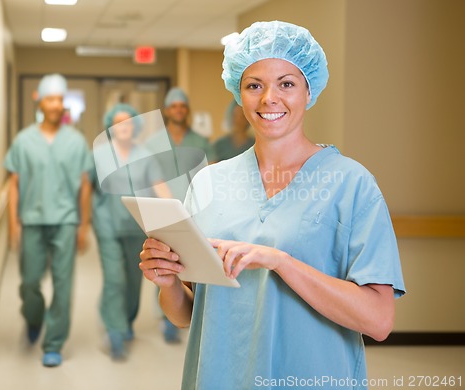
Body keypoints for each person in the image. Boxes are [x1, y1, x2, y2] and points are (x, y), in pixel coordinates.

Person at [139, 21, 406, 389]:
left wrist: (280, 262)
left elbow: (378, 320)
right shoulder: (209, 183)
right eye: (254, 85)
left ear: (308, 91)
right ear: (238, 93)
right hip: (221, 377)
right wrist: (167, 282)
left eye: (286, 83)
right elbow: (188, 313)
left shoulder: (351, 184)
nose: (269, 99)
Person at [4, 73, 92, 368]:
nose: (55, 105)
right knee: (29, 282)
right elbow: (13, 183)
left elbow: (84, 185)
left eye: (59, 99)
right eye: (50, 99)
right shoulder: (23, 140)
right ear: (39, 101)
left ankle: (53, 342)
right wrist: (13, 223)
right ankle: (34, 315)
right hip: (31, 219)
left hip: (66, 220)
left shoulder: (76, 141)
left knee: (63, 283)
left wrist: (83, 225)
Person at [91, 103, 171, 359]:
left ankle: (125, 321)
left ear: (135, 126)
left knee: (134, 280)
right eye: (118, 123)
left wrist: (174, 211)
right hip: (107, 224)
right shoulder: (99, 154)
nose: (123, 127)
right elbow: (86, 187)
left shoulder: (145, 154)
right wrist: (82, 222)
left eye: (127, 122)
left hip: (138, 226)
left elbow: (158, 185)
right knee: (115, 278)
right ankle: (115, 330)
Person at [152, 87, 215, 342]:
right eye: (174, 105)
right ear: (167, 110)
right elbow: (151, 176)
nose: (178, 109)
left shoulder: (200, 143)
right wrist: (169, 204)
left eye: (182, 105)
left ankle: (187, 310)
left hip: (195, 212)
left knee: (188, 262)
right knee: (162, 264)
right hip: (163, 212)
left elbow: (209, 175)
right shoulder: (155, 143)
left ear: (186, 110)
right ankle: (167, 315)